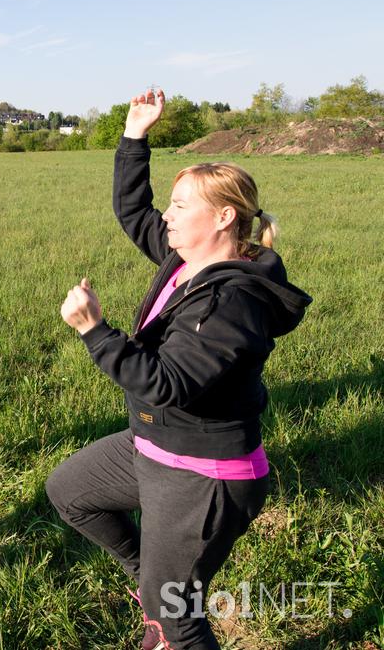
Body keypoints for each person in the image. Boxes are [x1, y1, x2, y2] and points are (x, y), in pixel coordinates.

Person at [46, 88, 312, 649]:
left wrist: (96, 331)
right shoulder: (184, 259)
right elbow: (132, 210)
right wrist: (134, 135)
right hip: (153, 448)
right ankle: (156, 586)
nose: (167, 216)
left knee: (180, 619)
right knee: (69, 491)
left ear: (223, 216)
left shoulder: (235, 302)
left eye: (182, 206)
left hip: (203, 475)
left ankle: (167, 610)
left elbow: (168, 384)